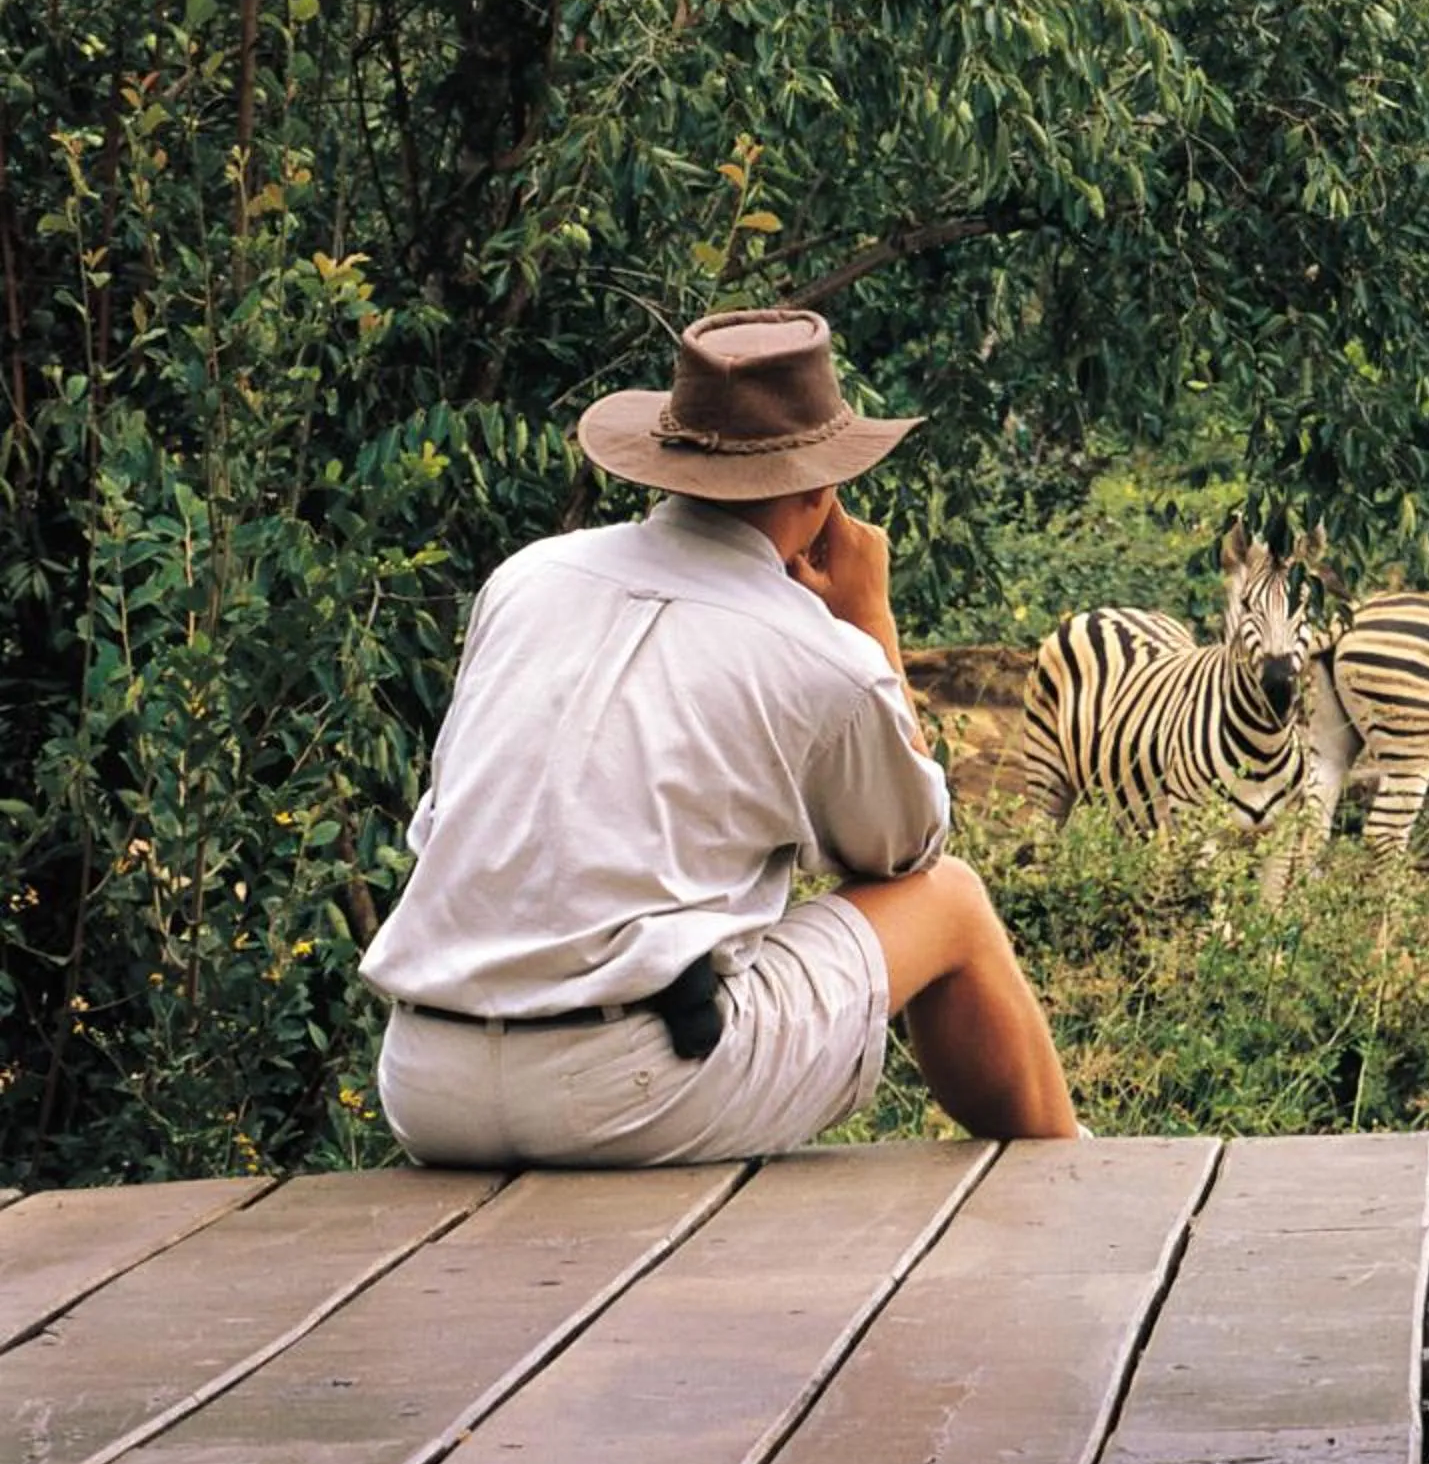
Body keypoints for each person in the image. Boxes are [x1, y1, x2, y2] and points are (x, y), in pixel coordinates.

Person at [360, 307, 1079, 1165]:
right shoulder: (820, 656)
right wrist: (868, 623)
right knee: (950, 900)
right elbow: (906, 850)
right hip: (626, 1094)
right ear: (822, 490)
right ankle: (1070, 1174)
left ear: (665, 465)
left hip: (425, 1083)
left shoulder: (525, 579)